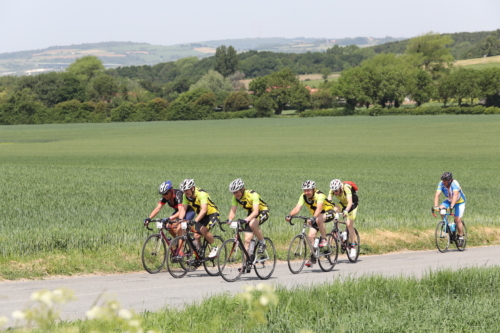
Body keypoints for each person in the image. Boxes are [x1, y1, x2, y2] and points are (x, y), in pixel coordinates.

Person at [285, 180, 335, 267]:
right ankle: (313, 257)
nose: (306, 192)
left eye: (308, 190)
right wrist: (290, 215)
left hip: (329, 212)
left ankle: (324, 239)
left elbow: (319, 208)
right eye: (305, 190)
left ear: (313, 189)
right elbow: (297, 208)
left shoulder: (319, 195)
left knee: (319, 219)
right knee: (311, 236)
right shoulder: (303, 196)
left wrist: (313, 218)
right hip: (316, 216)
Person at [179, 179, 220, 258]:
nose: (185, 192)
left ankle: (215, 247)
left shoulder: (201, 194)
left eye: (187, 190)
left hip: (212, 214)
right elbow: (183, 209)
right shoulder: (185, 196)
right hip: (201, 215)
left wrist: (194, 221)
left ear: (192, 188)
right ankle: (197, 255)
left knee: (203, 230)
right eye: (184, 191)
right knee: (196, 236)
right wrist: (180, 219)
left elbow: (204, 209)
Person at [227, 178, 270, 255]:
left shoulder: (253, 195)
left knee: (252, 224)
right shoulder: (235, 198)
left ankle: (262, 243)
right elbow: (233, 211)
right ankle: (246, 264)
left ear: (242, 189)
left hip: (263, 211)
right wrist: (229, 220)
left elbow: (256, 211)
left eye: (236, 192)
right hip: (251, 213)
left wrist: (246, 219)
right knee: (247, 240)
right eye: (233, 193)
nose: (235, 195)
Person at [328, 179, 359, 259]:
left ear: (340, 188)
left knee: (349, 224)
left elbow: (349, 202)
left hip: (352, 205)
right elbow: (329, 201)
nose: (335, 192)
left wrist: (346, 211)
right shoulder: (332, 190)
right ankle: (339, 232)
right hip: (342, 203)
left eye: (336, 191)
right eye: (333, 191)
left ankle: (352, 247)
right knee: (332, 211)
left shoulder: (346, 189)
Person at [434, 172, 466, 246]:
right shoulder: (441, 183)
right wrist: (436, 206)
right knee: (441, 209)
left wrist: (452, 206)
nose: (443, 182)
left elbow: (455, 195)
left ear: (450, 180)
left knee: (457, 219)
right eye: (443, 180)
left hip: (459, 202)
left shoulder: (455, 184)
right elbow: (437, 195)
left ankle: (460, 236)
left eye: (445, 181)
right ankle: (447, 224)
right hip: (449, 200)